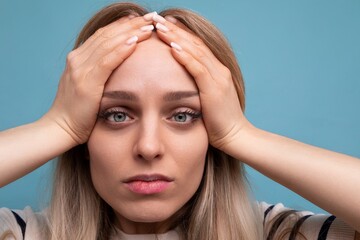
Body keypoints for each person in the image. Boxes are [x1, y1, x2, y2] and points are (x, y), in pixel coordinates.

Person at [0, 2, 359, 240]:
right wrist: (58, 125)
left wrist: (240, 134)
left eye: (183, 115)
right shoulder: (23, 233)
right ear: (84, 138)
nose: (149, 147)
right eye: (117, 115)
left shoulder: (272, 232)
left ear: (213, 134)